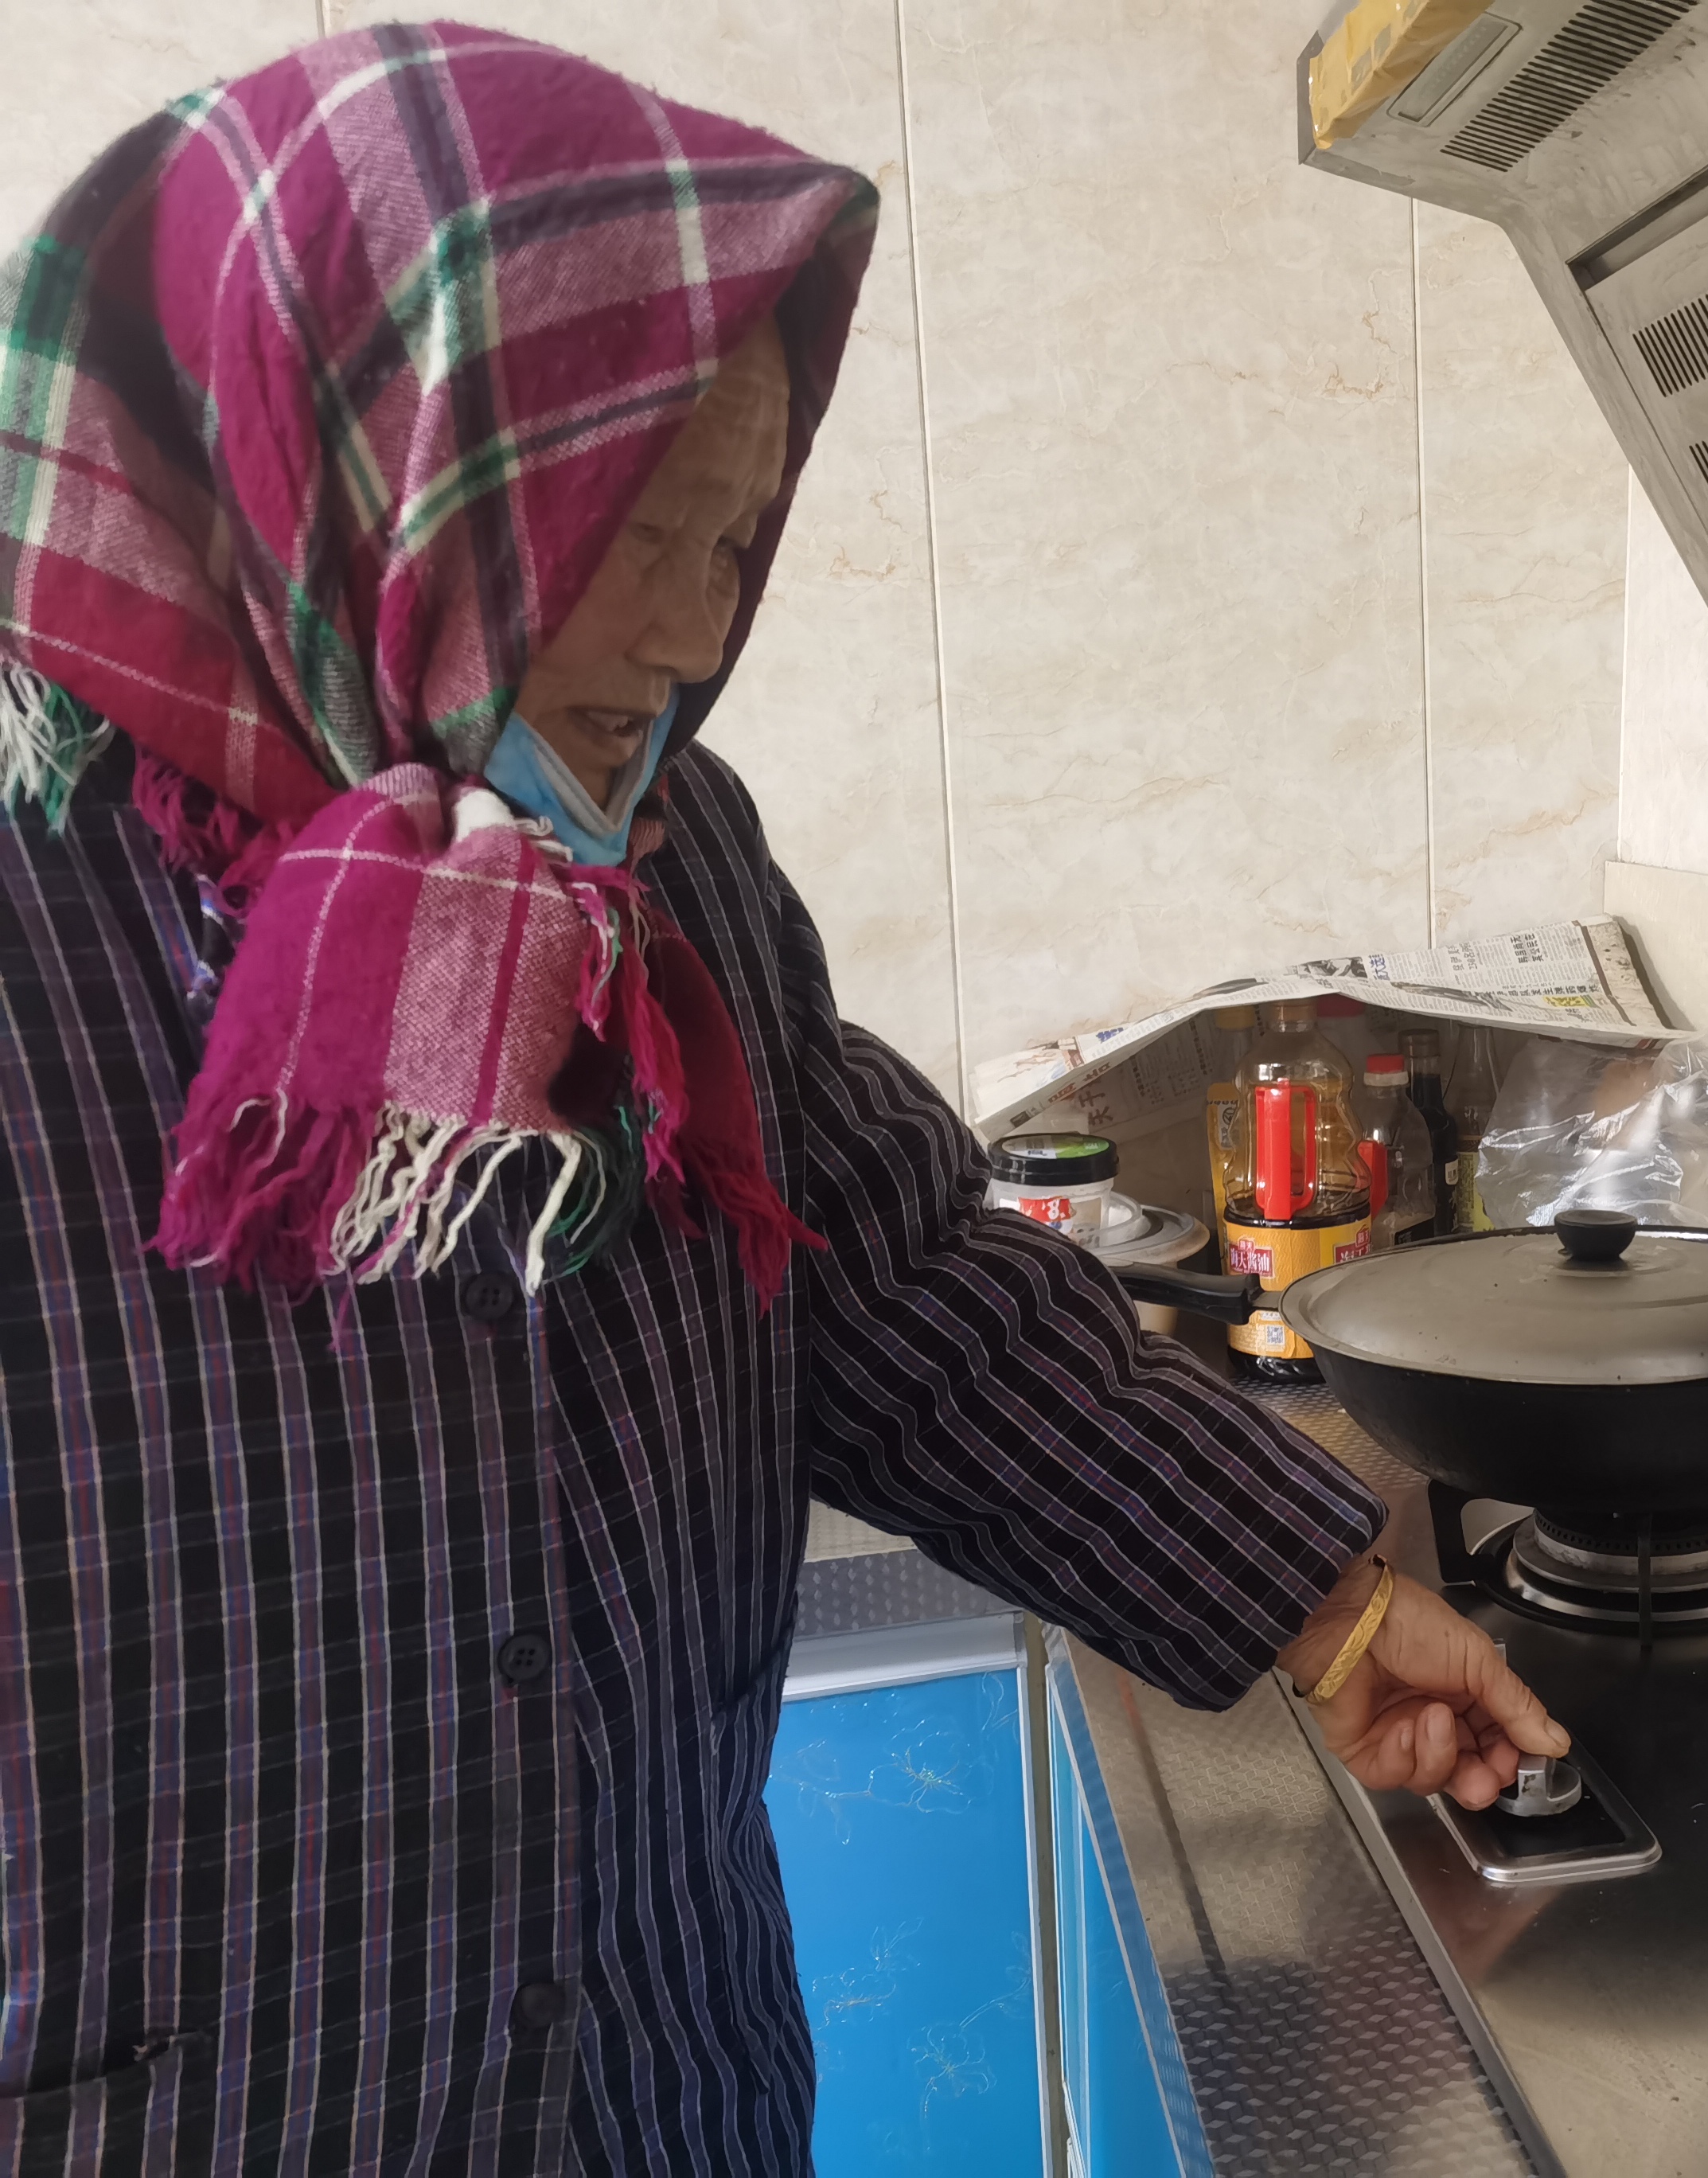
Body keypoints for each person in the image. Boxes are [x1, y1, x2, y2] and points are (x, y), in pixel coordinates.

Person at [0, 25, 1562, 2170]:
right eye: (629, 524)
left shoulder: (664, 865)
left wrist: (1329, 1608)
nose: (693, 629)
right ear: (349, 457)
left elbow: (896, 1297)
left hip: (663, 2096)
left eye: (738, 534)